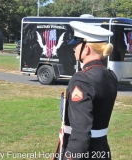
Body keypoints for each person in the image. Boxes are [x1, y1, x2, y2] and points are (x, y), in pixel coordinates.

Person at [54, 21, 118, 160]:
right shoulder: (111, 75)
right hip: (102, 150)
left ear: (87, 48)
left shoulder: (81, 80)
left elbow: (81, 132)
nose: (73, 48)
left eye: (76, 45)